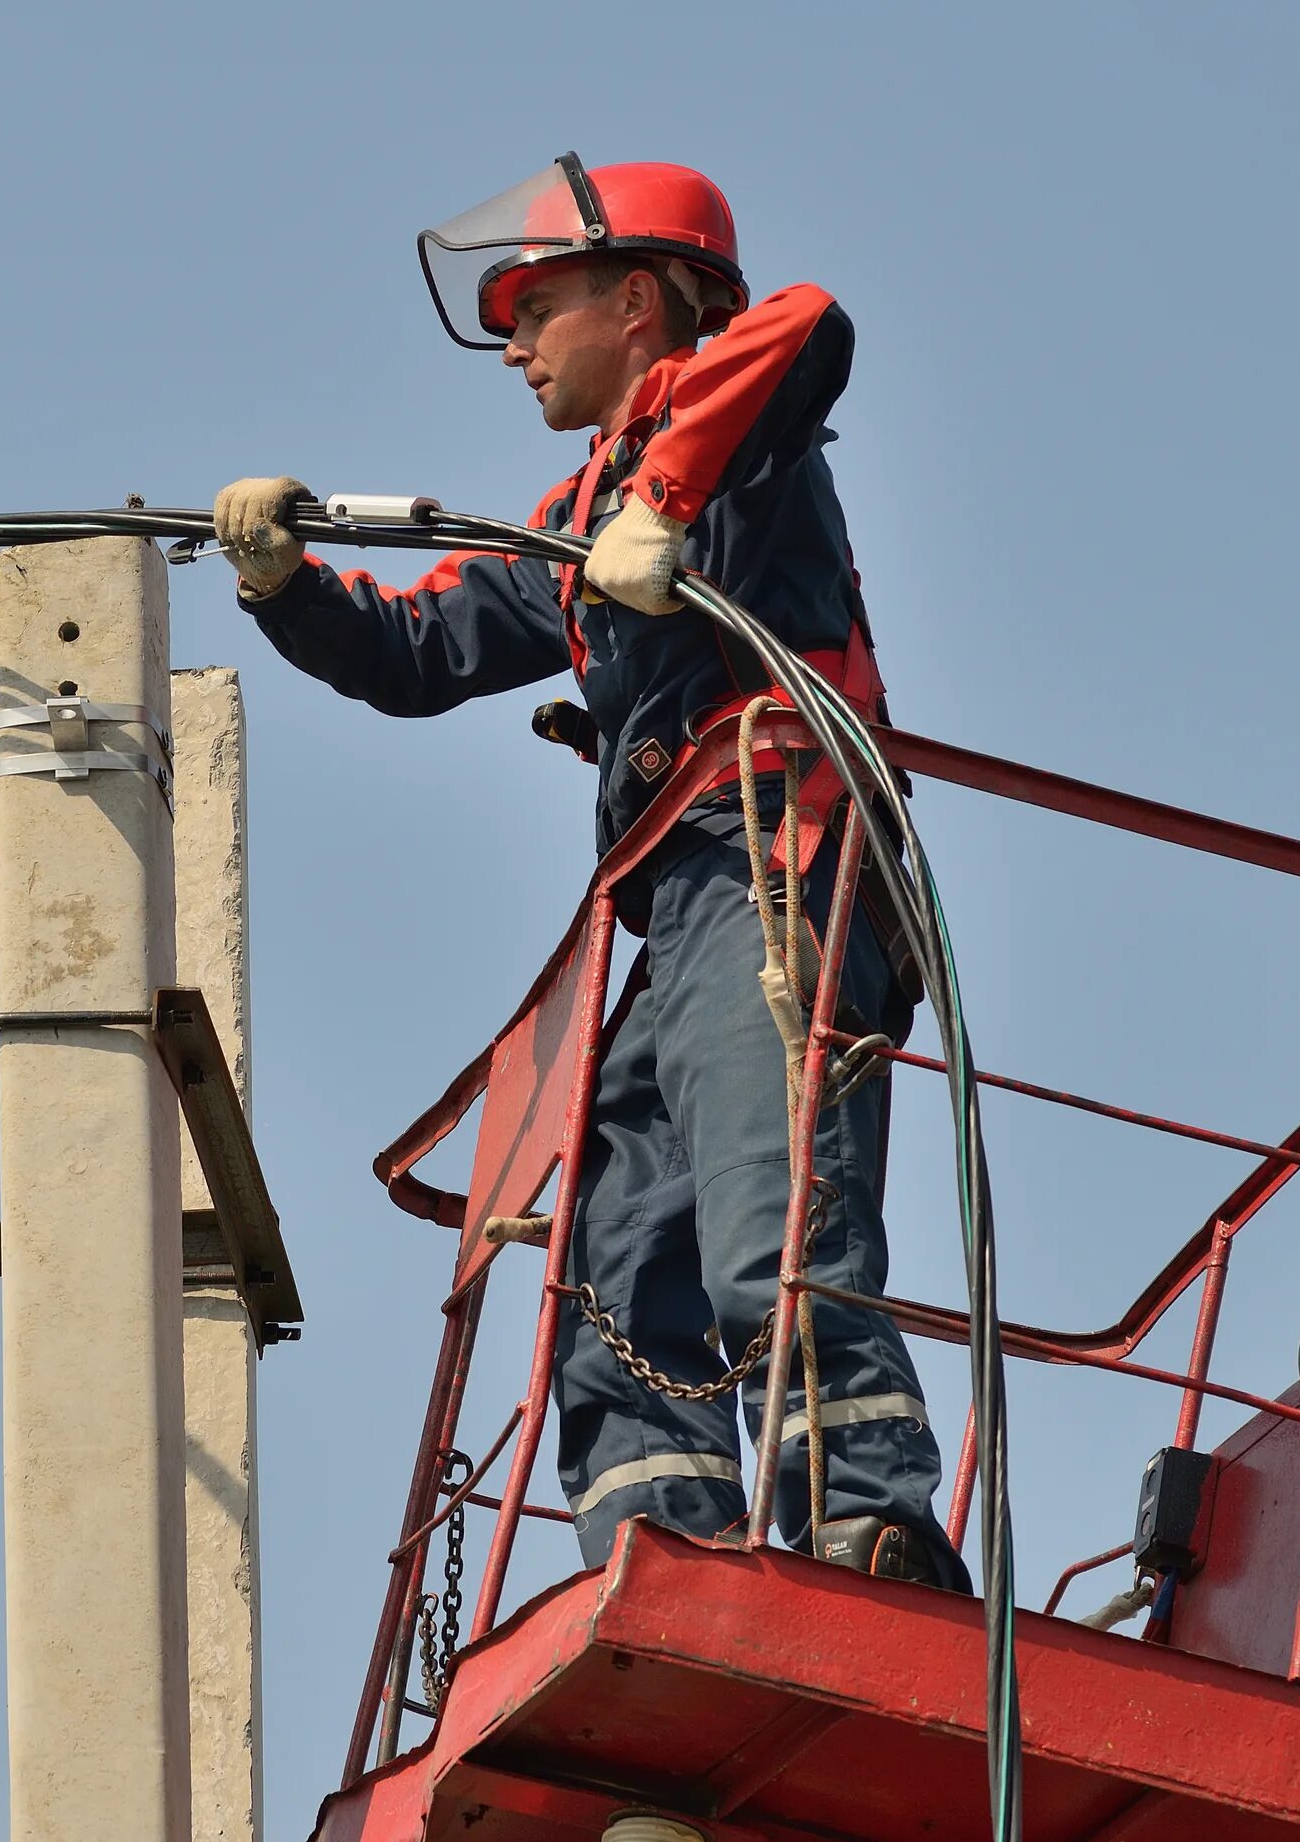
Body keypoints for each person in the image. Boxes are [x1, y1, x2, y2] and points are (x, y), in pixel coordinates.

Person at [212, 154, 965, 1588]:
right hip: (682, 909)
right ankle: (662, 1554)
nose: (513, 343)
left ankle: (871, 1527)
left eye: (535, 306)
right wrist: (285, 583)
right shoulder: (576, 524)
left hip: (779, 868)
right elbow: (421, 649)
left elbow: (807, 320)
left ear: (638, 300)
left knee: (768, 1219)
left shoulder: (739, 428)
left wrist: (670, 494)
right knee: (617, 1255)